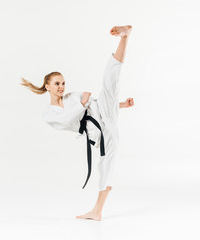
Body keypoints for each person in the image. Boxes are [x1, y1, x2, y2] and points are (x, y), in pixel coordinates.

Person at [20, 25, 134, 221]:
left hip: (106, 113)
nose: (62, 87)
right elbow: (67, 120)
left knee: (109, 78)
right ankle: (97, 211)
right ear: (47, 86)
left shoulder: (72, 96)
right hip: (101, 133)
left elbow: (96, 103)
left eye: (63, 83)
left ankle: (125, 36)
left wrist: (121, 104)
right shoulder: (49, 114)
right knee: (105, 168)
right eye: (57, 83)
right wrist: (82, 103)